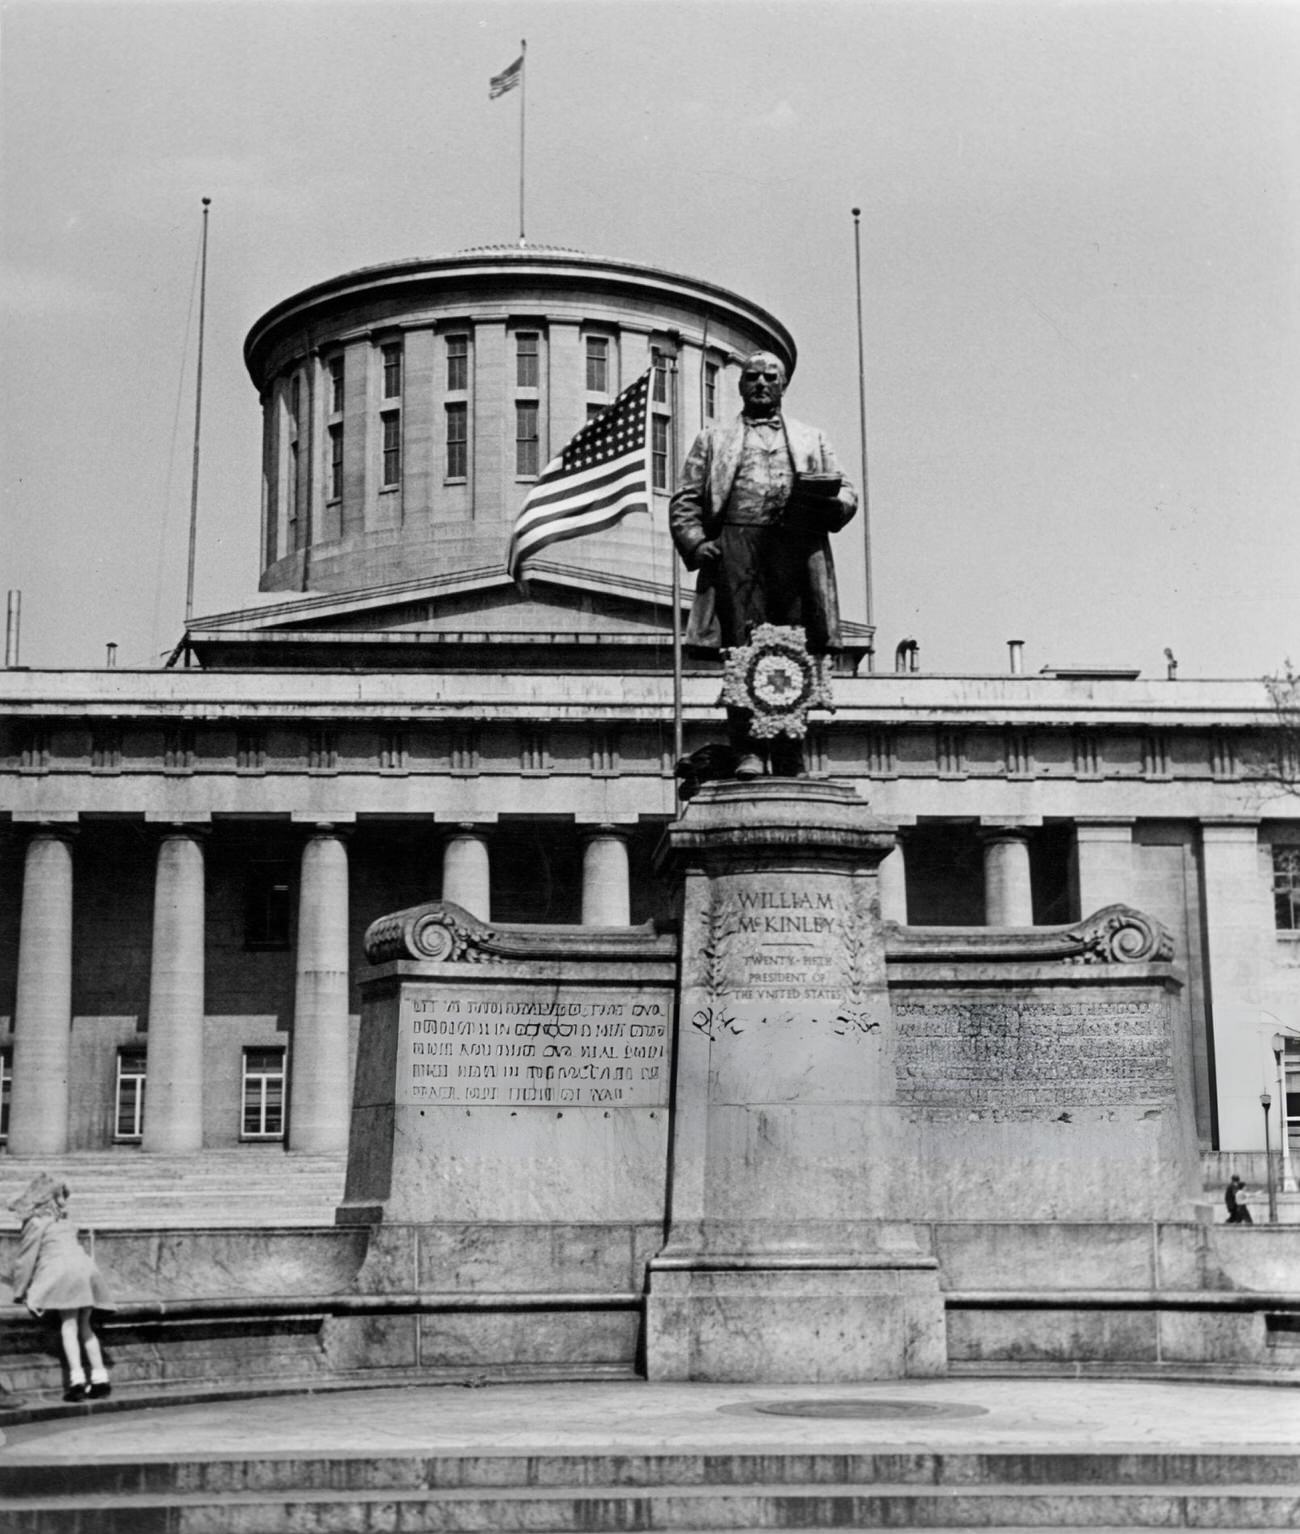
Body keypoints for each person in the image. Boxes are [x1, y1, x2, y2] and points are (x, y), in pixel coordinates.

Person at [669, 350, 858, 779]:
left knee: (795, 646)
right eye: (752, 377)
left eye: (769, 377)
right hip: (737, 543)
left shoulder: (813, 439)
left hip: (795, 546)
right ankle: (748, 749)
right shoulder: (713, 439)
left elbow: (847, 492)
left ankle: (790, 749)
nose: (760, 384)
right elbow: (686, 499)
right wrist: (697, 543)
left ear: (783, 385)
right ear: (740, 384)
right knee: (742, 648)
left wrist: (834, 506)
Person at [9, 1171, 115, 1401]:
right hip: (87, 1272)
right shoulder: (66, 1223)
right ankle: (100, 1378)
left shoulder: (35, 1223)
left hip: (63, 1275)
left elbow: (26, 1260)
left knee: (69, 1325)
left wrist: (19, 1291)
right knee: (86, 1327)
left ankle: (76, 1381)